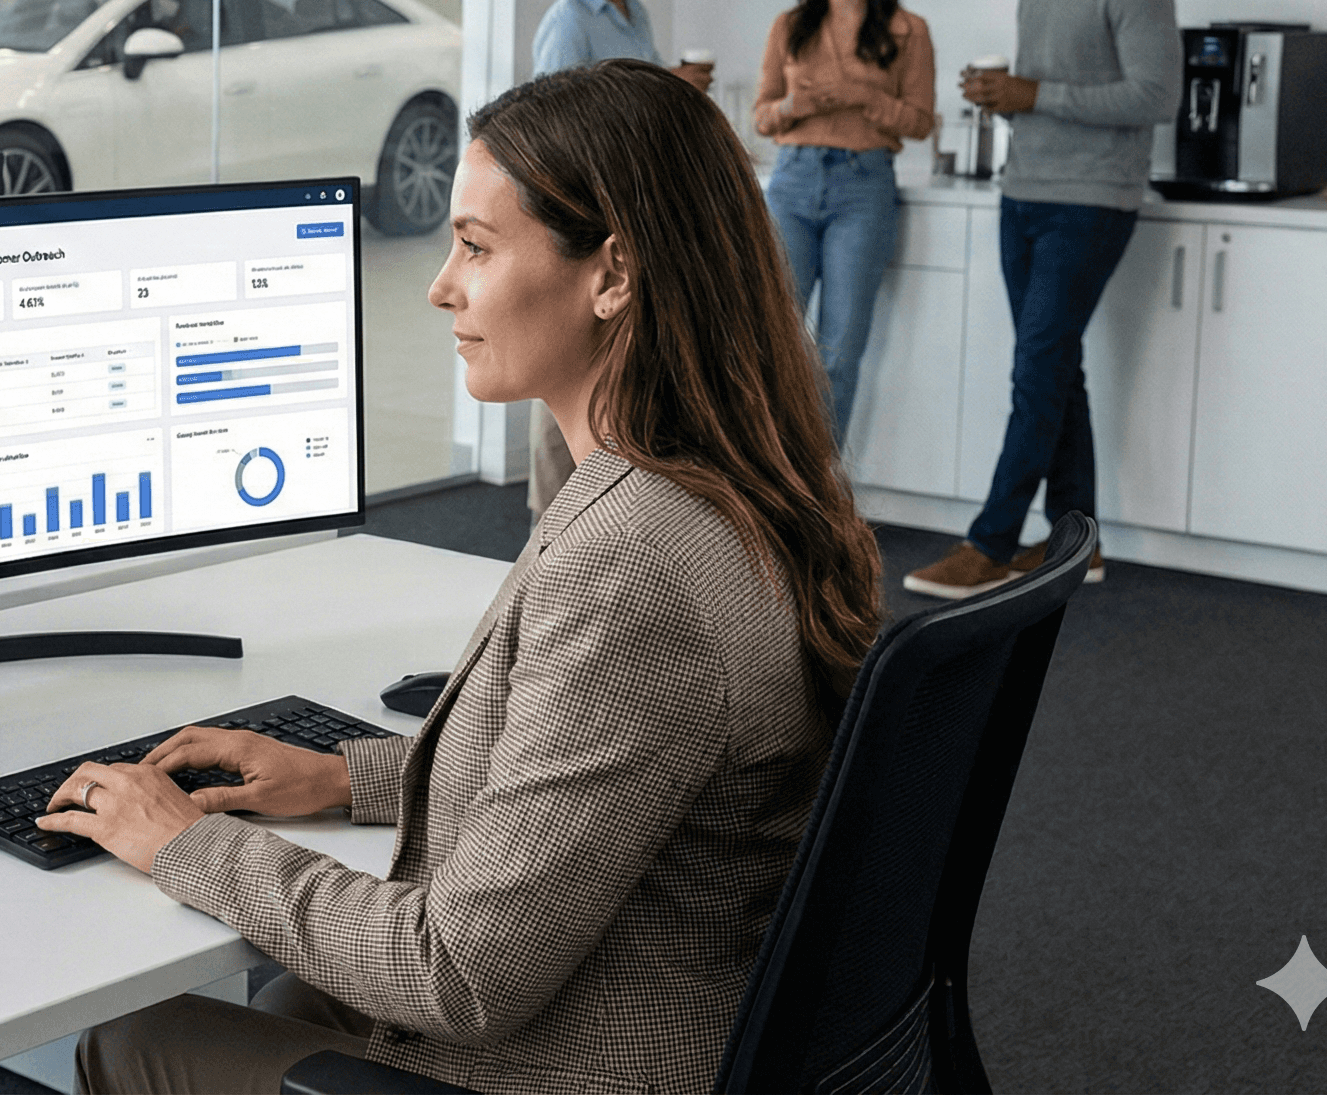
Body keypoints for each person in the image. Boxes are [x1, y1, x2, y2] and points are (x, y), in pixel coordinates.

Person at [45, 59, 884, 1094]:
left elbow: (457, 973)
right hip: (676, 998)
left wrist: (178, 843)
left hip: (576, 1059)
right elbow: (597, 772)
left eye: (476, 248)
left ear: (611, 275)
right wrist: (341, 775)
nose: (440, 284)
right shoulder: (730, 489)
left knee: (133, 1041)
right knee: (290, 995)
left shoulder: (632, 562)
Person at [906, 0, 1177, 599]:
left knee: (1036, 370)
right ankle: (1075, 542)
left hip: (1091, 205)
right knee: (1058, 371)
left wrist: (1034, 94)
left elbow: (1157, 96)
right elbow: (1044, 92)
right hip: (1022, 196)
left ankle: (990, 541)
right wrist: (1004, 95)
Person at [526, 0, 713, 517]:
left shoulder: (635, 14)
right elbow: (549, 133)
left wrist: (674, 87)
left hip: (632, 221)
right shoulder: (570, 22)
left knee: (620, 379)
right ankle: (550, 534)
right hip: (583, 223)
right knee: (568, 374)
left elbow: (637, 102)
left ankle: (610, 523)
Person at [755, 0, 938, 444]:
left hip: (864, 186)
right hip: (792, 181)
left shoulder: (909, 31)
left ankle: (817, 495)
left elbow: (921, 121)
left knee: (838, 352)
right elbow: (763, 115)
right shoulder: (791, 25)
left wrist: (863, 97)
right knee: (769, 342)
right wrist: (794, 107)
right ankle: (759, 481)